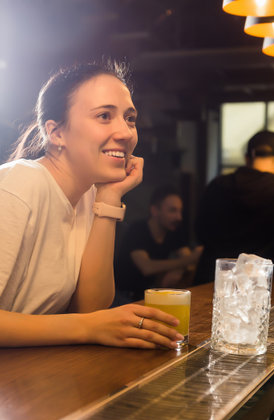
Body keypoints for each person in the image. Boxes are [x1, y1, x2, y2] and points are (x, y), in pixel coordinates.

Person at [0, 61, 184, 350]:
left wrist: (109, 198)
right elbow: (90, 322)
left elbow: (92, 308)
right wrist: (87, 327)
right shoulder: (19, 183)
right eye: (104, 116)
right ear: (56, 133)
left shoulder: (89, 196)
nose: (125, 132)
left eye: (129, 118)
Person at [194, 130, 274, 284]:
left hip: (212, 281)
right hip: (263, 287)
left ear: (247, 157)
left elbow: (200, 233)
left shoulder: (217, 185)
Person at [114, 185, 203, 303]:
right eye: (172, 210)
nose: (179, 217)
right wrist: (189, 260)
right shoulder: (138, 230)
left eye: (180, 211)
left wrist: (179, 269)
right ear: (155, 211)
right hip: (126, 297)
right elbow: (146, 267)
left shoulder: (172, 230)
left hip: (152, 295)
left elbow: (188, 262)